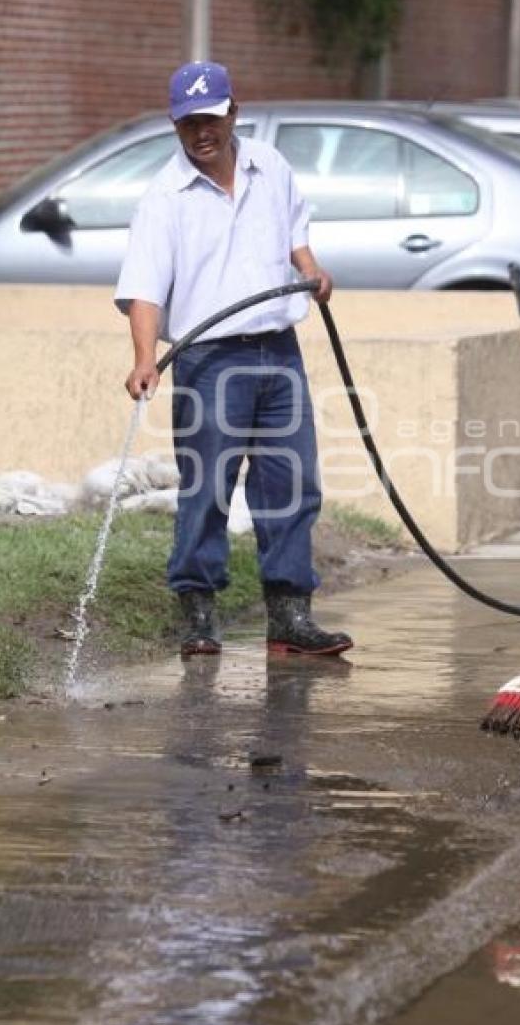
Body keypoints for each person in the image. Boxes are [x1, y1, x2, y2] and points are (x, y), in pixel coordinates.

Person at [115, 60, 352, 659]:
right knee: (209, 487)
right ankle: (196, 610)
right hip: (208, 360)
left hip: (279, 351)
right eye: (189, 122)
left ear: (233, 113)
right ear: (176, 125)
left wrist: (310, 270)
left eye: (211, 119)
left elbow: (295, 233)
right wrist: (146, 357)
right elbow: (144, 287)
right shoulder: (163, 199)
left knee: (291, 483)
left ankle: (289, 614)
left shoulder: (269, 167)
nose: (202, 132)